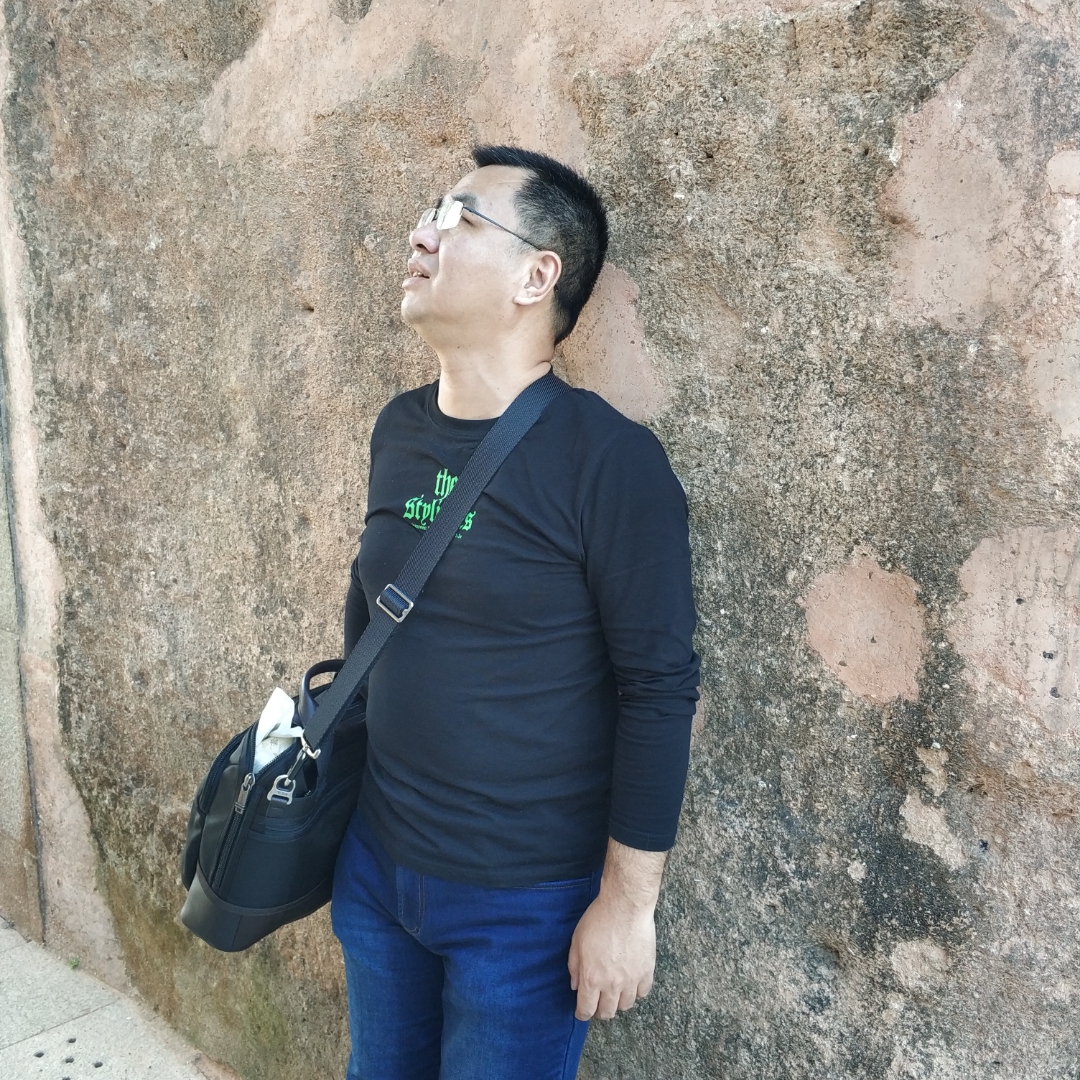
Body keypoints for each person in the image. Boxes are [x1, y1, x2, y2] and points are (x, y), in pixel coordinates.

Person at [330, 145, 700, 1080]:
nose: (423, 234)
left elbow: (658, 689)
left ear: (537, 277)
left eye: (458, 218)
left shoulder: (609, 462)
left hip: (523, 908)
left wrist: (628, 906)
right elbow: (370, 622)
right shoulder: (399, 427)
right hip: (375, 870)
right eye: (430, 214)